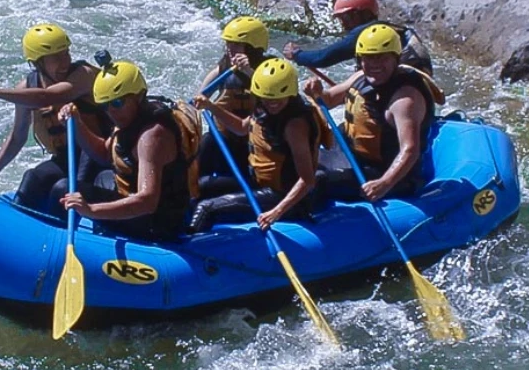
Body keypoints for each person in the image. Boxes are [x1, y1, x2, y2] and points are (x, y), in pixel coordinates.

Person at [50, 59, 201, 241]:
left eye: (118, 103)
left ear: (138, 96)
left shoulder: (152, 137)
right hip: (136, 199)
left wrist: (91, 210)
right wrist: (76, 123)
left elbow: (147, 202)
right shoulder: (131, 119)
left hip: (155, 222)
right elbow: (105, 154)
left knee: (62, 188)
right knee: (101, 176)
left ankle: (55, 241)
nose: (112, 112)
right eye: (105, 106)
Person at [0, 23, 110, 209]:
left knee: (64, 189)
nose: (65, 61)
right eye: (56, 57)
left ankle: (61, 231)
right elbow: (17, 137)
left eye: (66, 53)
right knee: (32, 178)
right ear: (38, 62)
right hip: (65, 158)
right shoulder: (25, 88)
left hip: (98, 157)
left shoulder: (84, 75)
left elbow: (48, 97)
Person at [305, 23, 444, 203]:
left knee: (316, 180)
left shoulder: (405, 99)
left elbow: (410, 150)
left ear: (396, 58)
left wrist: (384, 183)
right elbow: (329, 99)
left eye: (382, 58)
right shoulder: (361, 77)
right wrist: (316, 92)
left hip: (383, 172)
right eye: (368, 58)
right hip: (349, 156)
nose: (374, 64)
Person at [189, 57, 331, 232]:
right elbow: (241, 128)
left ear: (290, 93)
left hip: (284, 196)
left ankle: (188, 249)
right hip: (258, 184)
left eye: (278, 98)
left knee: (207, 208)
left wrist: (276, 212)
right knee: (199, 186)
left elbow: (307, 180)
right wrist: (211, 106)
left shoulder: (295, 126)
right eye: (267, 98)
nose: (272, 103)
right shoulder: (263, 109)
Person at [283, 0, 433, 76]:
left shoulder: (367, 34)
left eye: (346, 17)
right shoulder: (395, 29)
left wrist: (297, 54)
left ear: (362, 14)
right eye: (341, 18)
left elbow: (323, 58)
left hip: (401, 92)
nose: (343, 23)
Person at [198, 15, 271, 194]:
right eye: (228, 44)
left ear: (253, 48)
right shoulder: (224, 66)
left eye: (236, 45)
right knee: (207, 141)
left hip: (251, 147)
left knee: (205, 186)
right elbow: (201, 96)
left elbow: (269, 93)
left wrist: (248, 71)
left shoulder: (268, 72)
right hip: (225, 142)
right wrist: (201, 100)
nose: (230, 49)